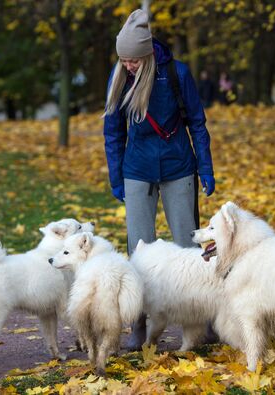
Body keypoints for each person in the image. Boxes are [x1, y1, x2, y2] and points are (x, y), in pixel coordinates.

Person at [103, 9, 215, 349]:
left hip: (178, 167)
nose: (128, 66)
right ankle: (139, 324)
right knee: (139, 248)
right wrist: (117, 177)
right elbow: (112, 132)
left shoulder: (177, 73)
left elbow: (197, 122)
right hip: (137, 171)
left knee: (188, 248)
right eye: (123, 60)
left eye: (133, 61)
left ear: (147, 54)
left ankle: (199, 323)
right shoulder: (119, 75)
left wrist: (205, 168)